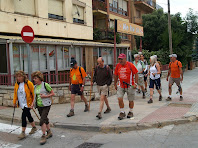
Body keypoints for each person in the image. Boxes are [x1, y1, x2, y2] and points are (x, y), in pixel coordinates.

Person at [32, 71, 55, 145]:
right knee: (45, 118)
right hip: (39, 105)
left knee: (42, 120)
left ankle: (43, 135)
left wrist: (45, 96)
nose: (34, 80)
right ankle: (49, 132)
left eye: (35, 78)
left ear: (39, 78)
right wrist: (32, 104)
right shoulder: (35, 87)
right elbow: (35, 96)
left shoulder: (45, 85)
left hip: (46, 105)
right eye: (34, 78)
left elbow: (52, 93)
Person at [13, 71, 37, 140]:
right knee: (28, 115)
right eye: (17, 77)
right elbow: (15, 93)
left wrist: (33, 103)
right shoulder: (17, 84)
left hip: (28, 103)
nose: (18, 78)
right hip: (21, 103)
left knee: (23, 116)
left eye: (20, 76)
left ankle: (23, 132)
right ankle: (34, 127)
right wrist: (14, 102)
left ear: (23, 76)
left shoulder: (28, 83)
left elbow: (33, 93)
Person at [114, 53, 138, 120]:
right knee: (119, 98)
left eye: (121, 59)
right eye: (119, 59)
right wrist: (115, 84)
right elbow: (115, 75)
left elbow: (136, 73)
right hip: (121, 85)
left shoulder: (130, 65)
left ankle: (131, 111)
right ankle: (122, 112)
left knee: (130, 100)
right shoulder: (118, 66)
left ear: (125, 59)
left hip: (130, 85)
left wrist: (135, 83)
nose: (120, 60)